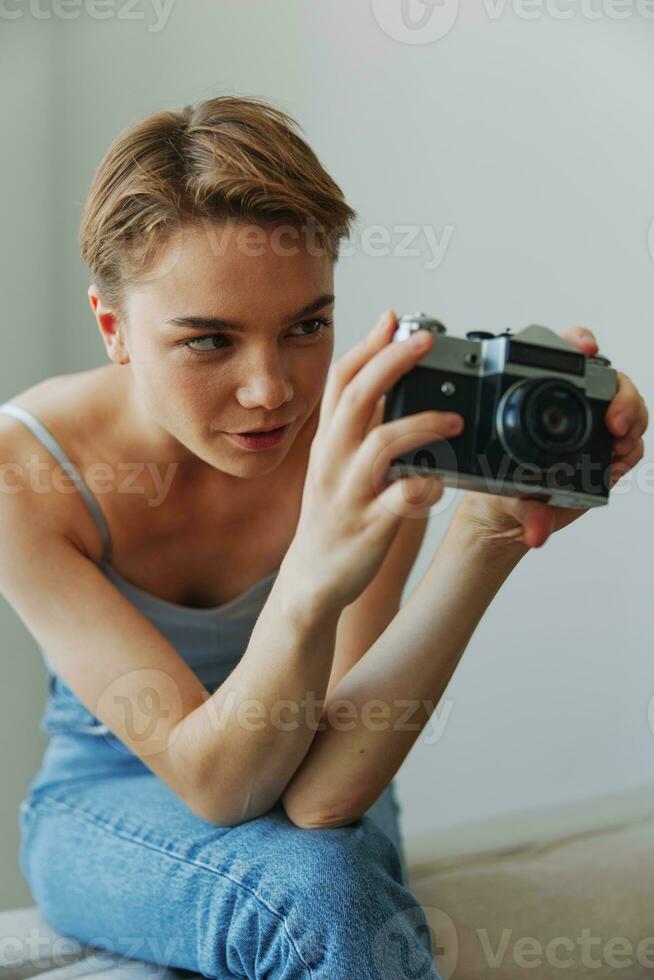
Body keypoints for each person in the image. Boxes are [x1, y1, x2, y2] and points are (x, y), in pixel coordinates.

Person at [0, 95, 647, 980]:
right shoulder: (24, 474)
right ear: (114, 328)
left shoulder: (372, 434)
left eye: (306, 326)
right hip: (113, 796)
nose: (271, 391)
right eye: (208, 342)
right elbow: (220, 782)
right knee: (318, 893)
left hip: (324, 767)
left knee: (327, 876)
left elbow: (324, 793)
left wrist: (490, 533)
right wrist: (314, 573)